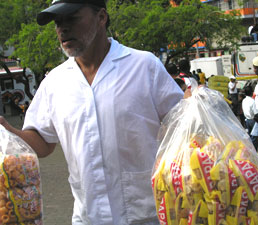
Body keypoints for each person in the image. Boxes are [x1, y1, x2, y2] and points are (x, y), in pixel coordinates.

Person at [0, 1, 184, 224]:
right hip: (88, 216)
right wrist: (7, 130)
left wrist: (196, 106)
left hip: (146, 215)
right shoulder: (55, 82)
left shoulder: (143, 66)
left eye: (72, 18)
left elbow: (182, 126)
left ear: (101, 17)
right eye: (58, 23)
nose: (63, 28)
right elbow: (42, 141)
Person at [242, 85, 258, 149]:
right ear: (252, 92)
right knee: (254, 136)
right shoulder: (252, 101)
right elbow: (255, 112)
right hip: (252, 120)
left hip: (246, 119)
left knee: (248, 136)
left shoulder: (244, 100)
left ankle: (248, 149)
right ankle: (254, 150)